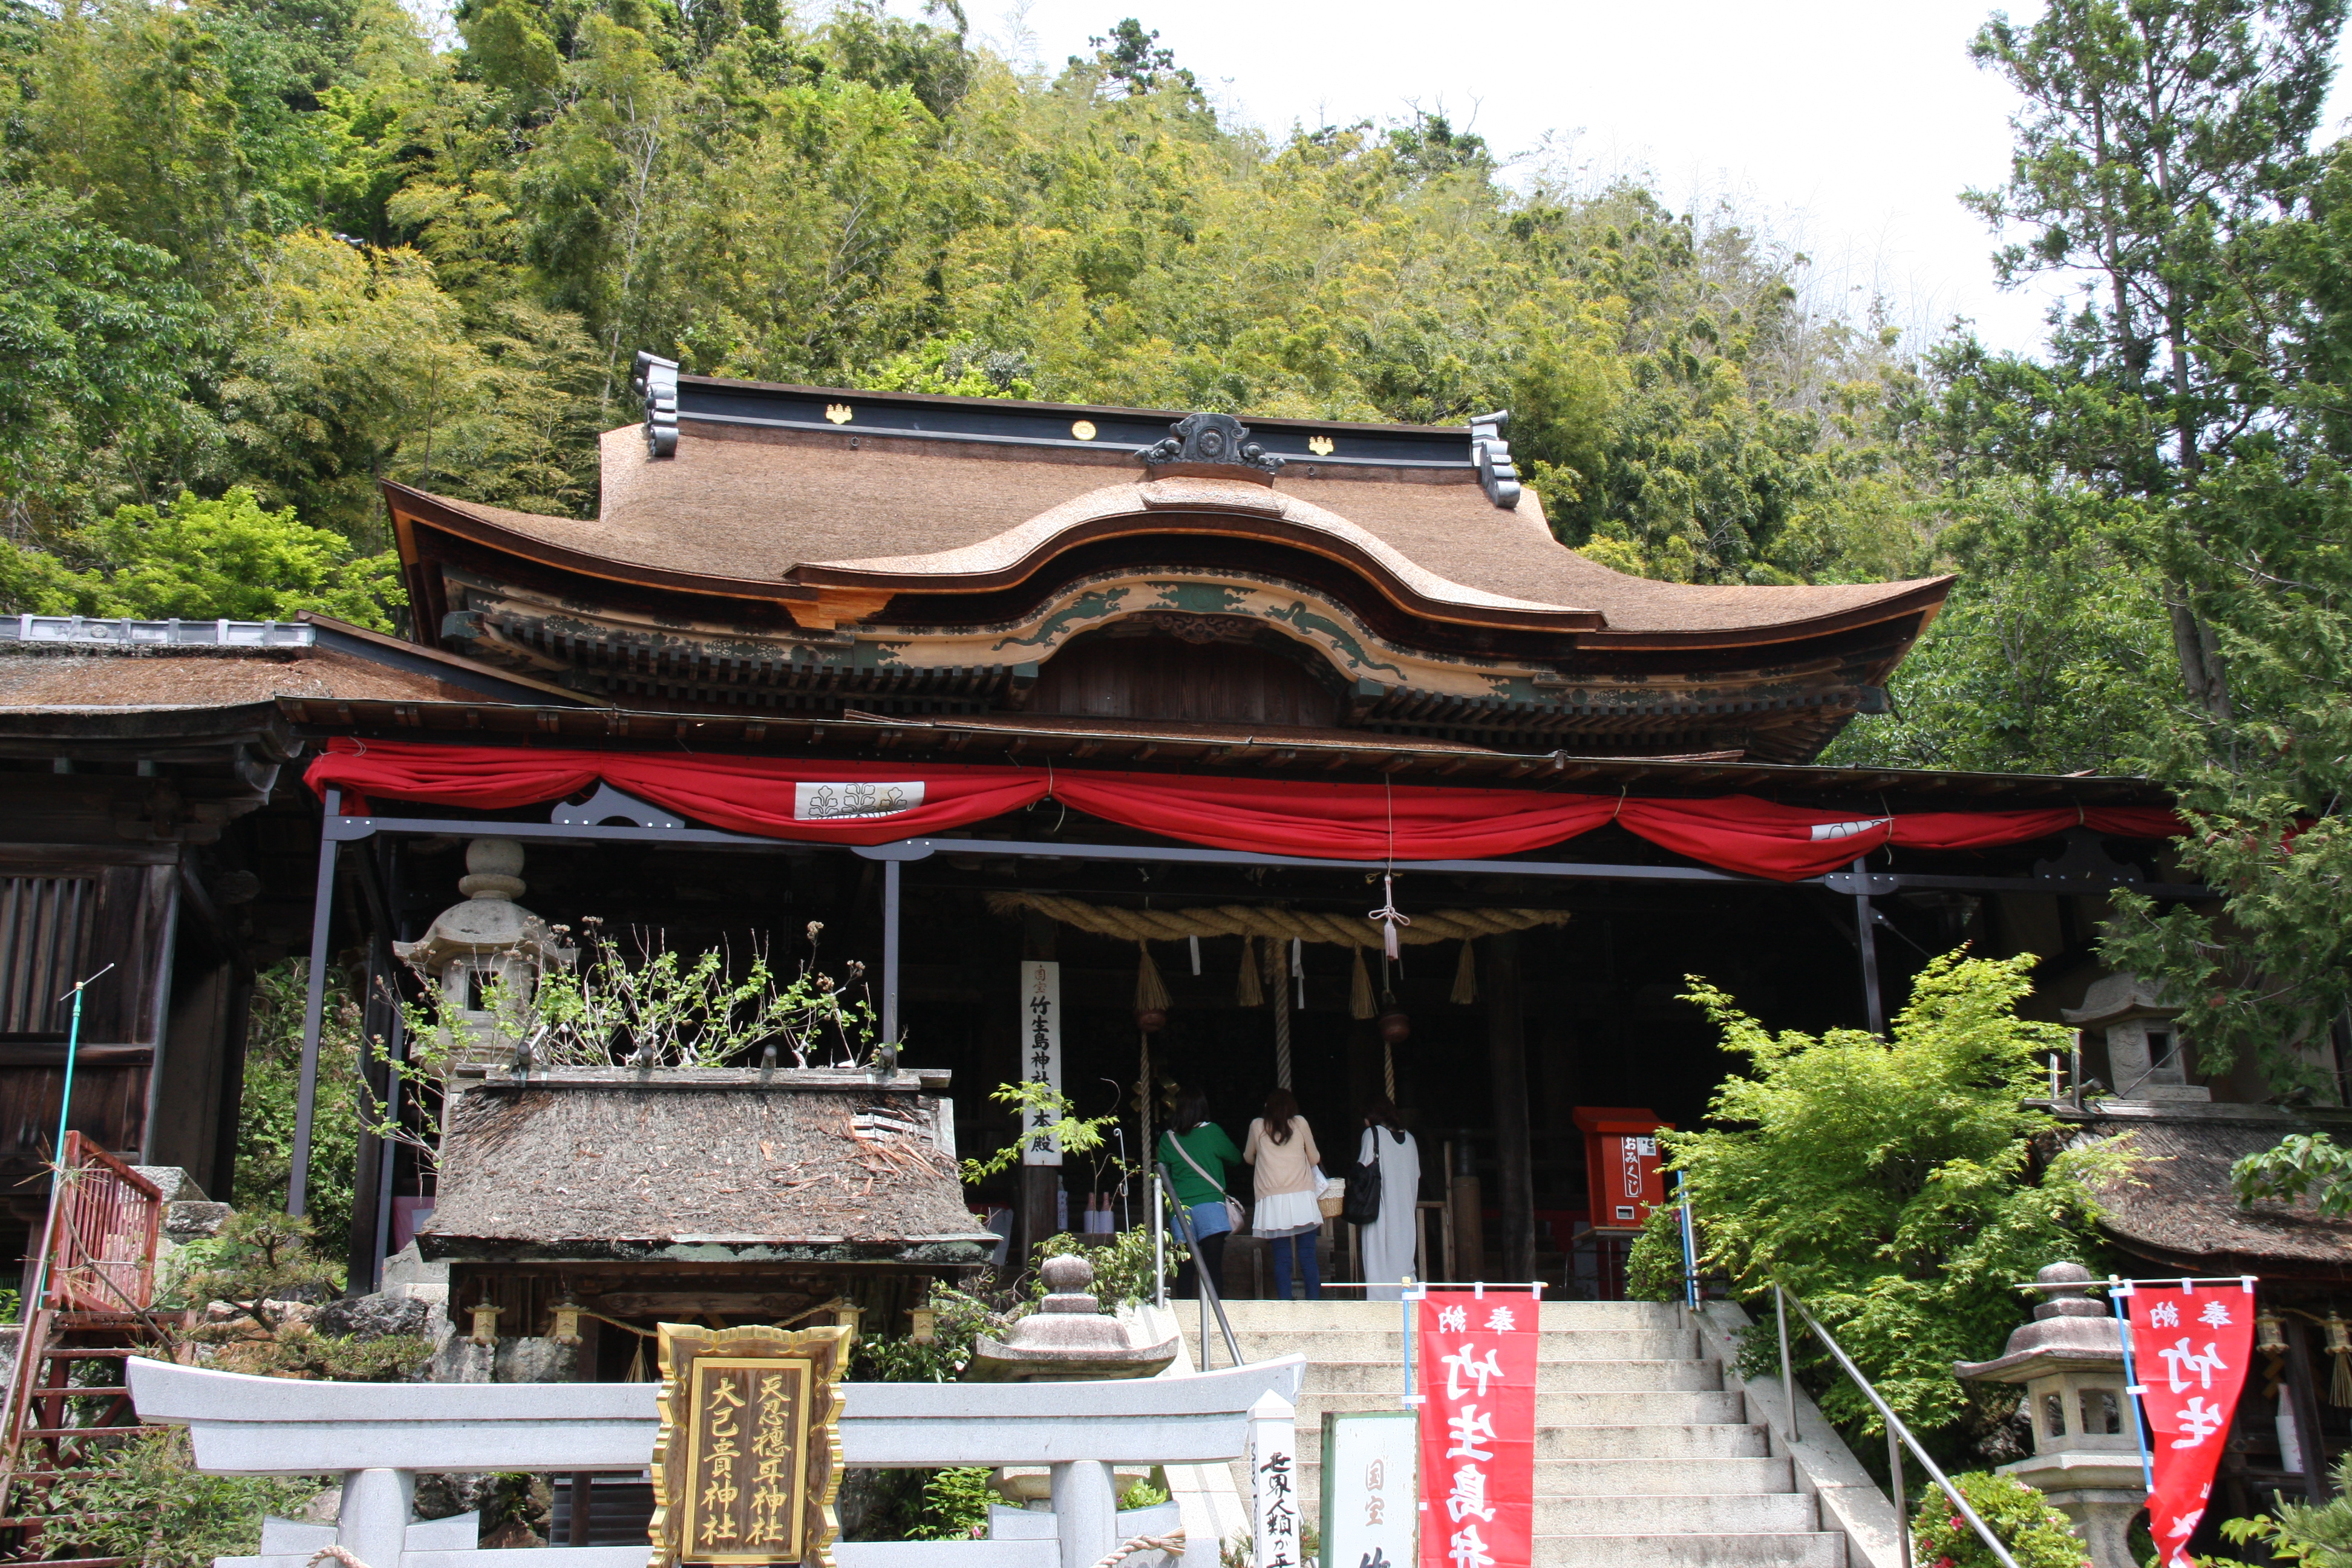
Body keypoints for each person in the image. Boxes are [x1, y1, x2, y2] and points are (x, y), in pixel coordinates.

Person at [1157, 1088, 1243, 1299]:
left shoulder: (1168, 1139)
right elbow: (1236, 1158)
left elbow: (1162, 1173)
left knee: (1185, 1268)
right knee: (1213, 1268)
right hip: (1211, 1206)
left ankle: (1185, 1313)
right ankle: (1216, 1314)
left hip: (1180, 1209)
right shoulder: (1213, 1132)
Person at [1244, 1087, 1324, 1301]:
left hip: (1272, 1201)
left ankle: (1285, 1304)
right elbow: (1314, 1158)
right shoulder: (1300, 1123)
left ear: (1267, 1108)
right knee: (1308, 1256)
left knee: (1282, 1259)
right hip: (1301, 1198)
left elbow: (1248, 1158)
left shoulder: (1257, 1126)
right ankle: (1314, 1303)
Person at [1356, 1096, 1421, 1302]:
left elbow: (1362, 1170)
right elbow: (1416, 1175)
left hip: (1380, 1210)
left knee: (1378, 1261)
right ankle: (1407, 1306)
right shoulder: (1410, 1139)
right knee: (1403, 1263)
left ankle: (1380, 1308)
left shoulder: (1372, 1134)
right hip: (1405, 1212)